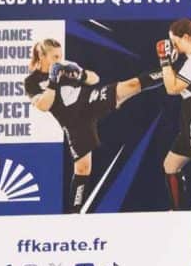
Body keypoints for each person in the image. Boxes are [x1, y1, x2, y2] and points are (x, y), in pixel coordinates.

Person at [22, 39, 153, 214]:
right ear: (42, 56)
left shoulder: (65, 66)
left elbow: (94, 79)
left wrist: (80, 74)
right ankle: (75, 215)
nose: (59, 60)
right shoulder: (31, 81)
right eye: (54, 57)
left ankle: (168, 73)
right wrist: (53, 81)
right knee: (83, 168)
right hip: (72, 121)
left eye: (60, 55)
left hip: (89, 100)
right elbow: (43, 105)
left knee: (132, 85)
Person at [157, 18, 191, 210]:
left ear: (187, 37)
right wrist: (169, 64)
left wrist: (165, 61)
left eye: (175, 42)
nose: (173, 46)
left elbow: (172, 88)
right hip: (188, 115)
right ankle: (178, 210)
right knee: (170, 165)